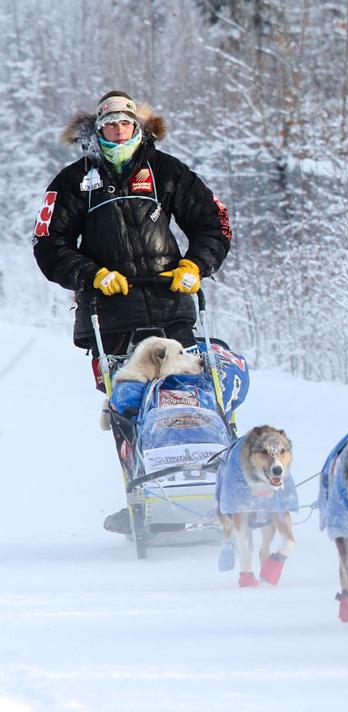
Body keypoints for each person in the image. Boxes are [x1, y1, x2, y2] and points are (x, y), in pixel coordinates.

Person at [32, 90, 232, 533]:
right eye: (110, 126)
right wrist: (90, 274)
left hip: (170, 304)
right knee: (128, 407)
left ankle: (212, 483)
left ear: (138, 128)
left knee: (189, 392)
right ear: (96, 131)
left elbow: (213, 223)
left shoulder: (167, 172)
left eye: (126, 125)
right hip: (109, 315)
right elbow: (48, 244)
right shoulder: (73, 182)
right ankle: (141, 496)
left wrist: (197, 266)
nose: (118, 132)